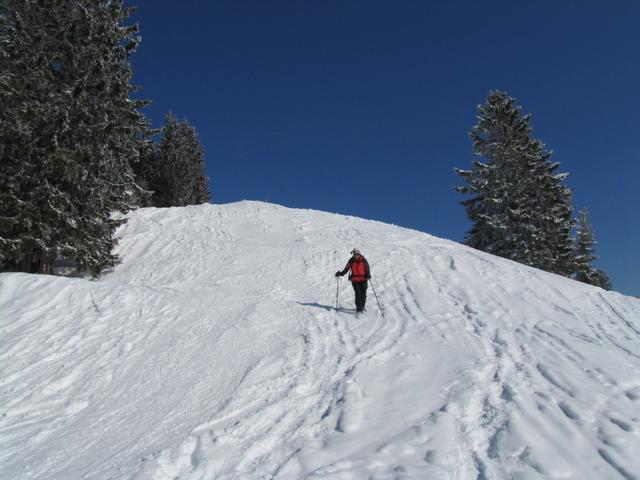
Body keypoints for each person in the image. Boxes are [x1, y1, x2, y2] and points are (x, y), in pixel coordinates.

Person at [335, 248, 371, 313]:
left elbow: (367, 269)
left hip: (363, 279)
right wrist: (340, 273)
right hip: (355, 280)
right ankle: (359, 309)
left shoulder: (364, 260)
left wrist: (368, 275)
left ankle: (362, 306)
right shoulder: (351, 261)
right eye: (354, 254)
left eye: (357, 254)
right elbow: (346, 270)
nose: (355, 256)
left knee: (363, 294)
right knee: (358, 294)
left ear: (359, 254)